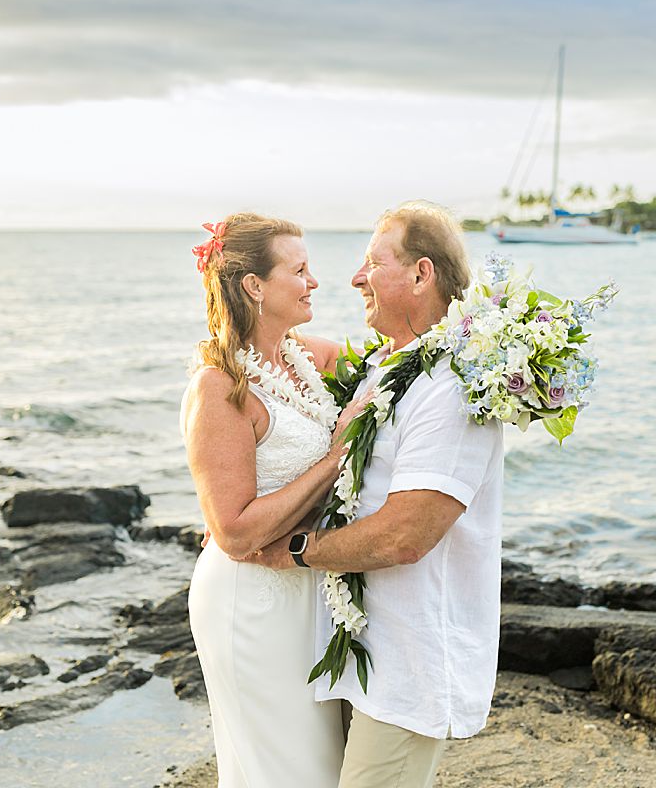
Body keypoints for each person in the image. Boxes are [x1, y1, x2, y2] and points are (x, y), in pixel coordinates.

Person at [246, 201, 505, 788]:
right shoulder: (389, 367)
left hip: (411, 664)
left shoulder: (453, 385)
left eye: (372, 263)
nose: (354, 278)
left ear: (421, 274)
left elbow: (406, 533)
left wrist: (295, 551)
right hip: (362, 650)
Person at [180, 212, 367, 787]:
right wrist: (336, 457)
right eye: (301, 270)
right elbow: (233, 532)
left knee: (321, 766)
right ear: (254, 286)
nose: (314, 281)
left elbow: (397, 368)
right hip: (250, 602)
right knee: (284, 771)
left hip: (307, 590)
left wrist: (492, 349)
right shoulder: (220, 386)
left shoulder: (313, 358)